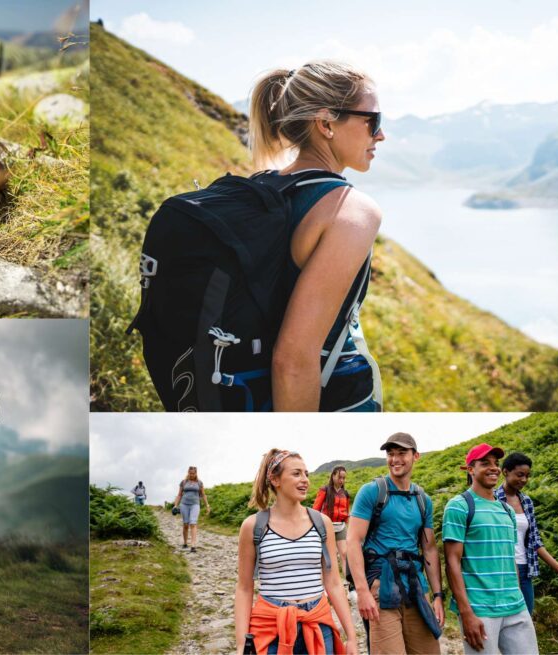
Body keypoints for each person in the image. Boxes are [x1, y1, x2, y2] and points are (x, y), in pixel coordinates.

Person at [248, 61, 386, 412]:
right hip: (331, 399)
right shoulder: (349, 210)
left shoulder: (258, 187)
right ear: (326, 123)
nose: (380, 135)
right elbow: (293, 359)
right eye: (372, 121)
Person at [235, 449, 357, 654]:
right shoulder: (253, 526)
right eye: (296, 473)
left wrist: (351, 637)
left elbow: (334, 583)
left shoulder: (321, 523)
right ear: (275, 479)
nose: (305, 480)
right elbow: (245, 588)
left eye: (306, 474)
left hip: (317, 623)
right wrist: (241, 645)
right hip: (271, 626)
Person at [346, 433, 443, 654]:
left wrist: (437, 596)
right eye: (390, 454)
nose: (395, 459)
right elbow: (353, 540)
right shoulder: (372, 491)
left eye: (402, 453)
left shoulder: (422, 499)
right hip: (381, 585)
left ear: (415, 456)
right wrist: (362, 592)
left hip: (415, 586)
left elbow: (429, 549)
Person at [443, 444, 538, 654]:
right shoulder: (459, 506)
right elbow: (452, 562)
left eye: (496, 463)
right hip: (480, 608)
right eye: (485, 463)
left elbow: (509, 558)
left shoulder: (507, 510)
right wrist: (466, 612)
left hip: (515, 605)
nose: (493, 468)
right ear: (470, 469)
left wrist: (519, 596)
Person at [495, 451, 558, 616]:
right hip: (502, 571)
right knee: (505, 621)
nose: (524, 480)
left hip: (525, 570)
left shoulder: (526, 502)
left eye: (527, 476)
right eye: (520, 475)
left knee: (525, 619)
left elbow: (535, 542)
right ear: (505, 472)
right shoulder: (493, 500)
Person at [312, 466, 350, 579]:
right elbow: (316, 509)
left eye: (344, 478)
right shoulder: (325, 490)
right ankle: (329, 584)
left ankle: (349, 583)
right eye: (339, 477)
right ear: (333, 475)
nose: (341, 480)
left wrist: (349, 525)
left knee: (344, 554)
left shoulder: (345, 493)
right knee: (330, 555)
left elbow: (346, 512)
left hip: (341, 526)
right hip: (327, 526)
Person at [172, 466, 211, 553]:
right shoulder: (184, 482)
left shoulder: (199, 483)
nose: (191, 475)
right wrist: (175, 505)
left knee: (193, 523)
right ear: (188, 473)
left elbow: (203, 495)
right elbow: (179, 495)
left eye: (193, 473)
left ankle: (193, 546)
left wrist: (207, 505)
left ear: (196, 473)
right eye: (190, 473)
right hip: (184, 504)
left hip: (195, 505)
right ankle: (185, 543)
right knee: (185, 524)